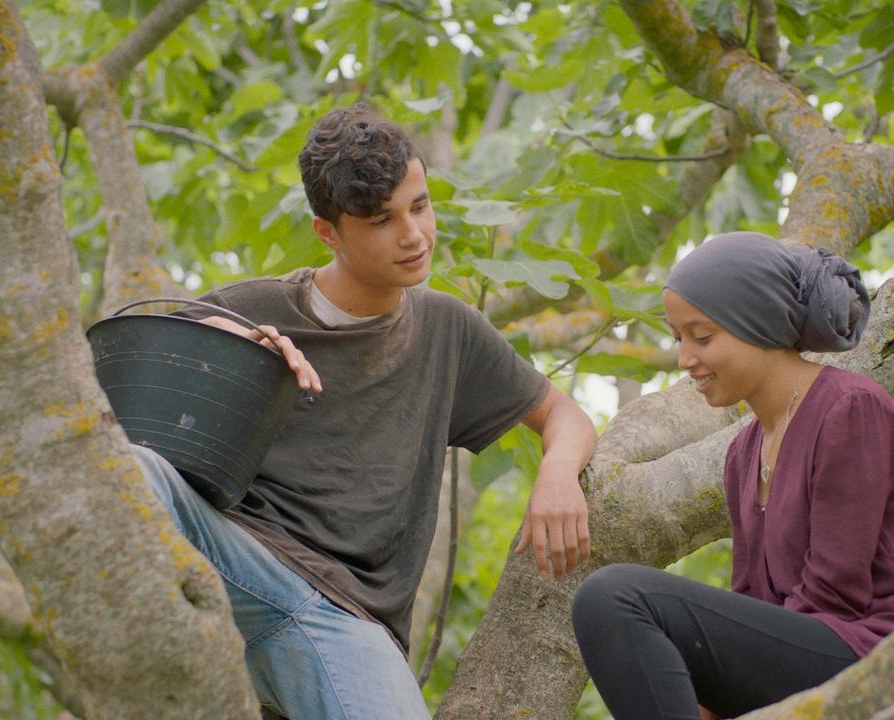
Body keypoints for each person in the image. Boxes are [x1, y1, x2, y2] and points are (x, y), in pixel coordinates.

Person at [131, 103, 597, 720]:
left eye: (419, 206)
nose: (413, 235)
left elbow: (565, 415)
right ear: (328, 231)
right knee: (125, 470)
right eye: (381, 220)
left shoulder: (448, 328)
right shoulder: (251, 306)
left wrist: (558, 475)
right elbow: (122, 394)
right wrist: (221, 339)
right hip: (234, 560)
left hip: (346, 616)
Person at [571, 231, 894, 720]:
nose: (686, 358)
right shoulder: (742, 454)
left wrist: (732, 685)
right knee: (611, 613)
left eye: (702, 336)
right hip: (811, 654)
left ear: (757, 321)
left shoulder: (850, 409)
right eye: (678, 339)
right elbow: (752, 604)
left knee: (614, 597)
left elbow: (835, 596)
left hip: (884, 654)